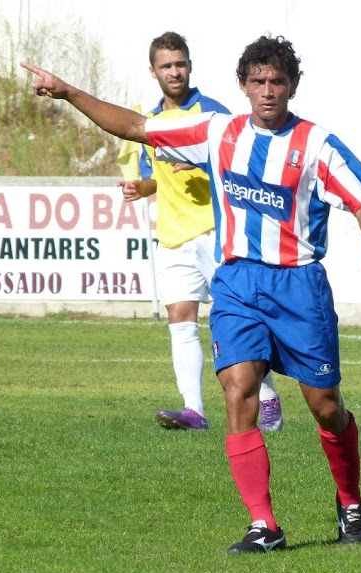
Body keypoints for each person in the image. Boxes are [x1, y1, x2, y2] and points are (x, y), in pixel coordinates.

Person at [21, 34, 361, 554]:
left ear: (293, 86)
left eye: (277, 81)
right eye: (258, 81)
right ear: (242, 86)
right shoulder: (217, 133)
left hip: (299, 285)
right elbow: (134, 126)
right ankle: (264, 524)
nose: (267, 91)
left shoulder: (317, 145)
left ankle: (350, 500)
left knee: (325, 406)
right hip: (238, 281)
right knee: (238, 390)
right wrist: (67, 92)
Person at [118, 32, 283, 432]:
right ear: (153, 71)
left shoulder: (214, 116)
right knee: (181, 318)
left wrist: (202, 167)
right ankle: (194, 410)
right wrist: (142, 187)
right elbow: (155, 175)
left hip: (216, 233)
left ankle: (267, 396)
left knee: (237, 319)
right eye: (166, 66)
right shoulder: (150, 122)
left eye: (180, 64)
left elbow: (241, 169)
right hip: (173, 235)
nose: (174, 72)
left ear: (190, 66)